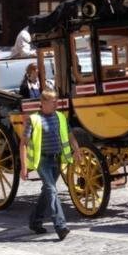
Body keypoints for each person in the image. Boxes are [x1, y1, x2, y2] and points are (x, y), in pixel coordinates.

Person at [19, 89, 82, 240]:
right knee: (52, 191)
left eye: (56, 101)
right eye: (53, 102)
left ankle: (35, 221)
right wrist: (24, 167)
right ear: (43, 103)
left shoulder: (60, 117)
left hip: (57, 159)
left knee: (47, 191)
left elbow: (70, 135)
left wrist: (77, 149)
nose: (56, 104)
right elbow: (23, 144)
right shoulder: (33, 119)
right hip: (43, 161)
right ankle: (61, 226)